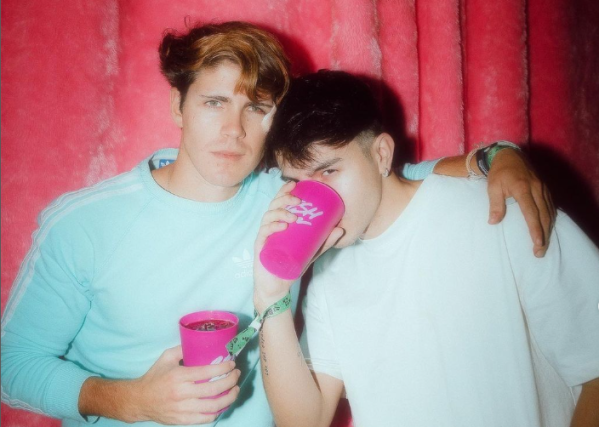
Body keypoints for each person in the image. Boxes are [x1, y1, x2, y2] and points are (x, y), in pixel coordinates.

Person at [1, 22, 553, 427]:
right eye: (214, 102)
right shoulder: (83, 224)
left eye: (257, 108)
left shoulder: (289, 196)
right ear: (177, 105)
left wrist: (497, 156)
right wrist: (133, 401)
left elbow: (386, 178)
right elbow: (11, 366)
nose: (234, 129)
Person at [254, 70, 599, 427]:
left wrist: (500, 155)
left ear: (381, 154)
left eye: (328, 172)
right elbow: (304, 422)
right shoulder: (328, 275)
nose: (311, 201)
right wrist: (269, 295)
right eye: (297, 183)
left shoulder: (500, 211)